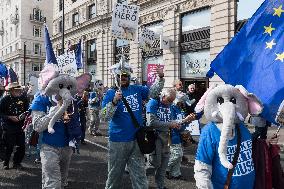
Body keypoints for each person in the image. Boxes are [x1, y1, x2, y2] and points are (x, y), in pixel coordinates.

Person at [101, 62, 165, 189]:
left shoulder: (137, 89)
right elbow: (103, 116)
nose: (122, 78)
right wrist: (114, 101)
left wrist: (160, 78)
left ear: (129, 76)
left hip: (137, 140)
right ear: (116, 77)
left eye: (125, 75)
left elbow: (153, 93)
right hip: (118, 141)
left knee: (140, 175)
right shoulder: (110, 93)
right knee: (115, 175)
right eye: (119, 76)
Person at [146, 88, 193, 189]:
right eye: (169, 100)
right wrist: (170, 124)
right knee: (154, 163)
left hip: (167, 138)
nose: (170, 103)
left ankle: (161, 186)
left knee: (163, 165)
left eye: (172, 101)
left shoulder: (170, 106)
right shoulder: (153, 103)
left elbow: (174, 123)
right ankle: (141, 181)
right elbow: (150, 122)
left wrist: (185, 121)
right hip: (155, 137)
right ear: (163, 96)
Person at [0, 82, 29, 170]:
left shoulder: (24, 98)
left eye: (20, 90)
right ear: (11, 90)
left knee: (21, 146)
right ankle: (6, 162)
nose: (19, 91)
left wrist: (25, 116)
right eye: (17, 90)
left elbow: (27, 110)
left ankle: (17, 163)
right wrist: (9, 117)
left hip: (20, 126)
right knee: (9, 146)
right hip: (8, 127)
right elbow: (1, 113)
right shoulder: (5, 99)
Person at [166, 92, 195, 180]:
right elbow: (173, 123)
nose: (182, 103)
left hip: (179, 135)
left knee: (179, 156)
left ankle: (176, 174)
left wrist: (188, 121)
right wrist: (186, 119)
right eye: (180, 101)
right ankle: (165, 168)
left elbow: (182, 123)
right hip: (172, 135)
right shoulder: (171, 108)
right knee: (177, 154)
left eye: (182, 101)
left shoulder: (180, 108)